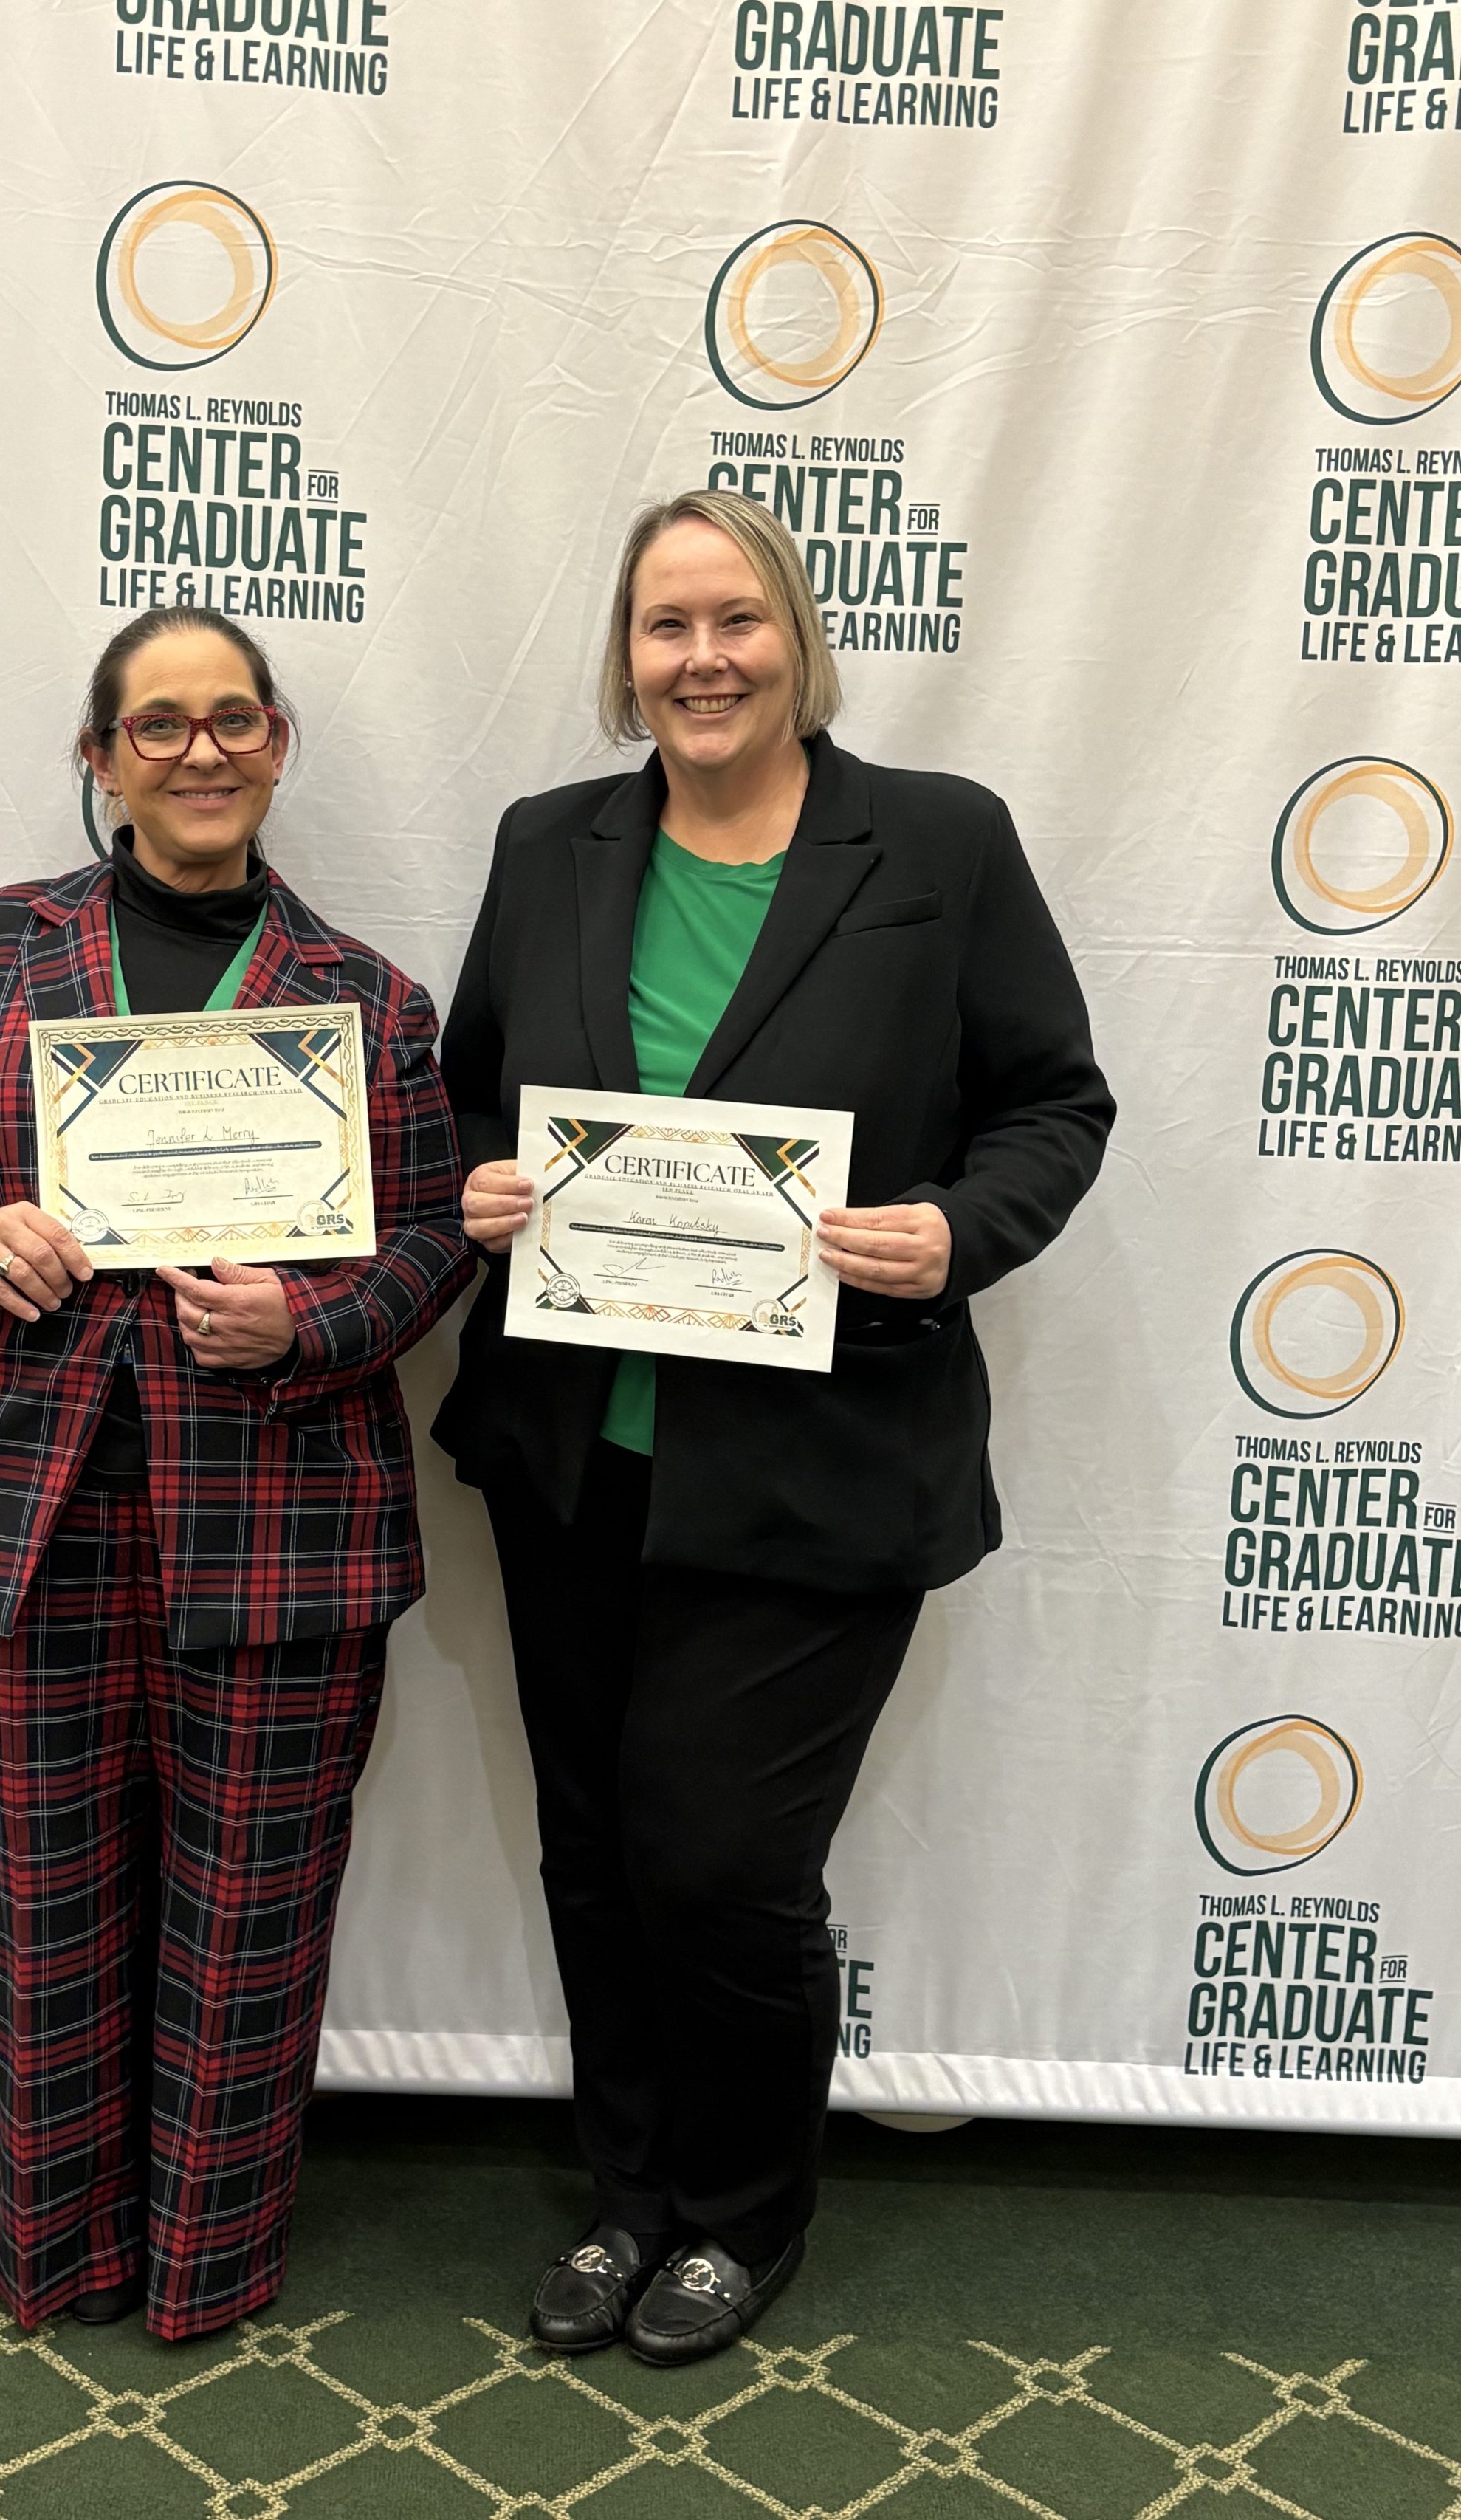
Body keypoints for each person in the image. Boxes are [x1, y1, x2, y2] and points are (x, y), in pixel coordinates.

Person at [435, 489, 1114, 2366]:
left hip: (822, 1464)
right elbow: (468, 1092)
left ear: (797, 639)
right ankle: (627, 2196)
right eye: (664, 626)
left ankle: (740, 2213)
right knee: (593, 1848)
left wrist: (954, 1233)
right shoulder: (548, 844)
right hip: (574, 1450)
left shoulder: (938, 843)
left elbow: (1053, 1105)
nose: (702, 657)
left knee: (718, 1865)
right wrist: (477, 1185)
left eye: (734, 619)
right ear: (624, 657)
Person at [0, 605, 472, 2343]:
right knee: (44, 1907)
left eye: (234, 719)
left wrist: (309, 1325)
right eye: (159, 723)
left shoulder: (368, 1000)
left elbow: (431, 1237)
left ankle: (205, 2266)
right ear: (100, 757)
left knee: (250, 1920)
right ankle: (63, 2254)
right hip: (15, 1515)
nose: (201, 751)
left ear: (277, 744)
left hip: (278, 1516)